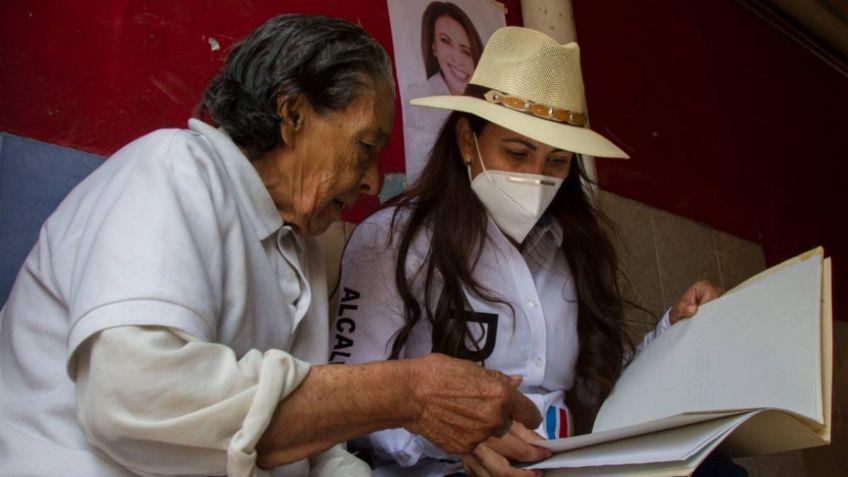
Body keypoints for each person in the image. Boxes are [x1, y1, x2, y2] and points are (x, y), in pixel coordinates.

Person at [0, 15, 542, 477]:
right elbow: (133, 399)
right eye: (366, 147)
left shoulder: (298, 244)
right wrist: (406, 392)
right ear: (292, 114)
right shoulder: (172, 169)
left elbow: (304, 445)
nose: (374, 180)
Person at [331, 27, 738, 477]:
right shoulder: (392, 242)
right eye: (518, 152)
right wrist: (454, 432)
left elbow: (606, 379)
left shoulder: (571, 250)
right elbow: (353, 406)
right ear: (468, 141)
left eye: (557, 161)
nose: (537, 175)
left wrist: (672, 330)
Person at [403, 1, 485, 184]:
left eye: (466, 51)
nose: (456, 58)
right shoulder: (418, 99)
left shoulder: (488, 106)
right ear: (434, 48)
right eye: (445, 42)